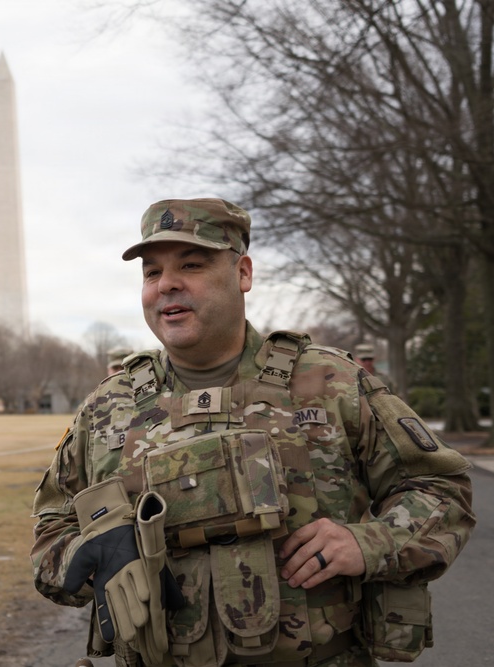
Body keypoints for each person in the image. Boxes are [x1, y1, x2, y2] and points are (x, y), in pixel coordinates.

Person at [31, 198, 474, 667]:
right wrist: (89, 552)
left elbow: (442, 489)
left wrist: (370, 543)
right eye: (151, 272)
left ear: (243, 273)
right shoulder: (107, 407)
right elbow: (49, 531)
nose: (167, 284)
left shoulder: (330, 384)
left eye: (192, 264)